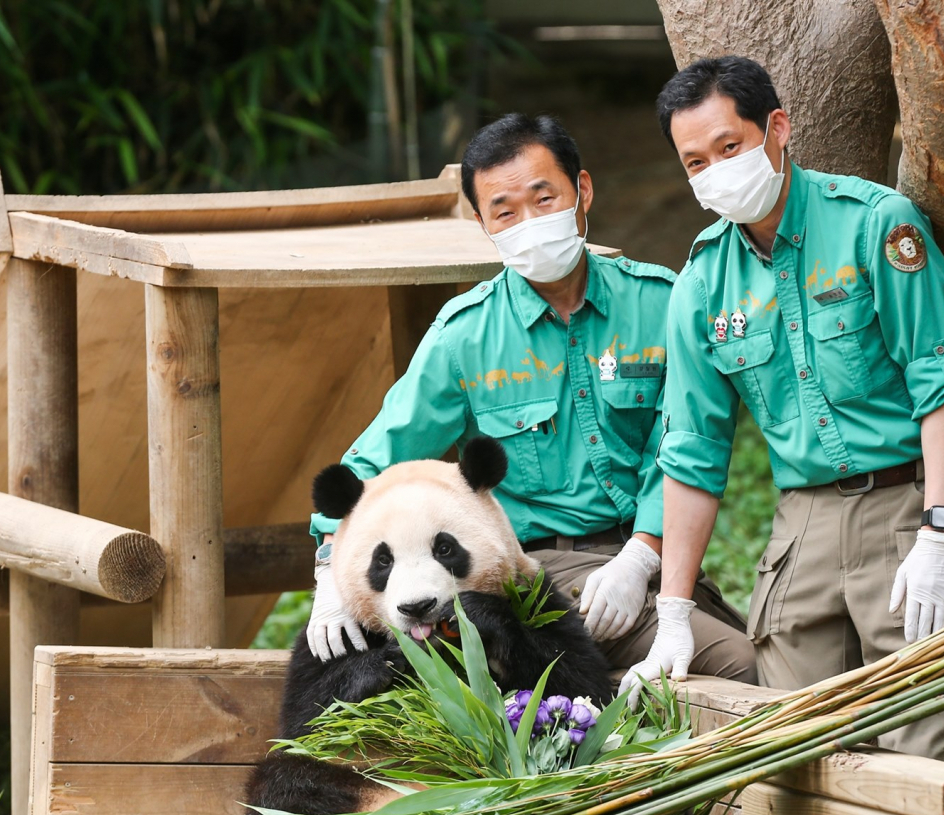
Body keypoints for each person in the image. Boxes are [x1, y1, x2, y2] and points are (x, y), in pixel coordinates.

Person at [622, 56, 944, 765]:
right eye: (695, 161)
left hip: (905, 504)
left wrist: (940, 532)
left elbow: (939, 381)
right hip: (803, 528)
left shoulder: (876, 225)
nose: (715, 171)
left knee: (925, 752)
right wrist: (672, 613)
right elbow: (692, 451)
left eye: (729, 147)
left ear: (778, 128)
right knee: (793, 760)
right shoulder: (701, 284)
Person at [306, 113, 756, 685]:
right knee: (739, 667)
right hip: (531, 572)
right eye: (505, 212)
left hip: (647, 558)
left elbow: (680, 445)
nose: (529, 223)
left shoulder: (661, 303)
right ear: (482, 223)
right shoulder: (464, 336)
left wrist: (641, 556)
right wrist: (329, 575)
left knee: (745, 652)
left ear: (582, 191)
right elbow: (370, 462)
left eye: (544, 200)